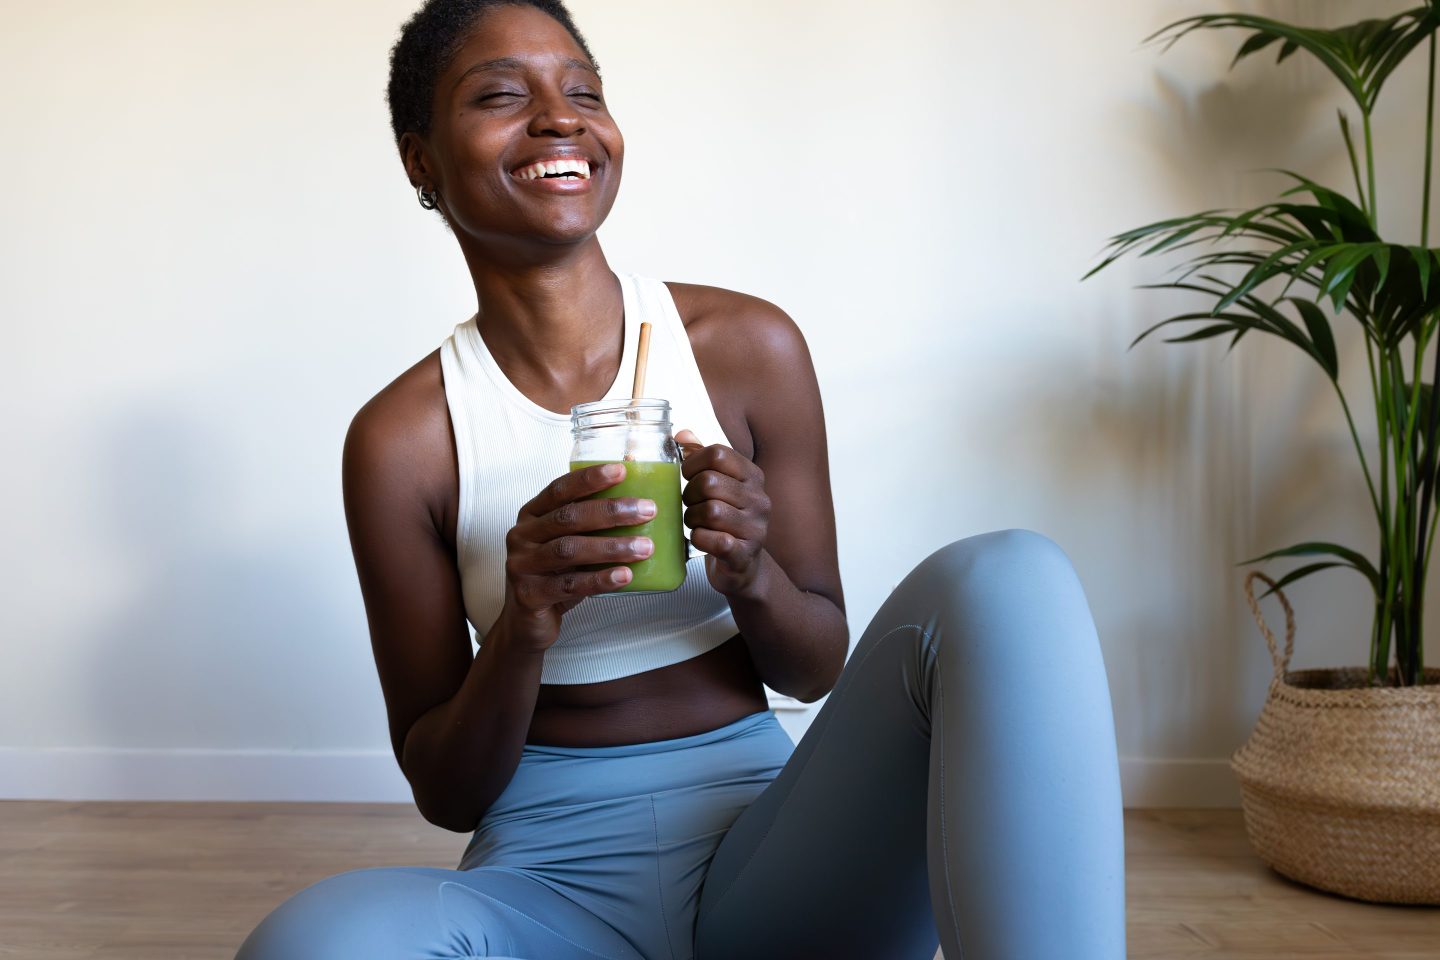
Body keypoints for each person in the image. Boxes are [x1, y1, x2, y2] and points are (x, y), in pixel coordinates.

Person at [234, 1, 1126, 957]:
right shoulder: (403, 440)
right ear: (421, 160)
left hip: (778, 857)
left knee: (1009, 576)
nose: (560, 118)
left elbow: (817, 667)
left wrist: (752, 573)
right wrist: (525, 624)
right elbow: (446, 793)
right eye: (501, 95)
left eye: (584, 92)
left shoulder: (746, 348)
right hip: (548, 891)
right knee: (313, 942)